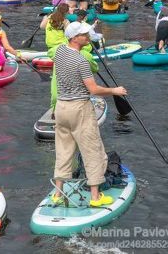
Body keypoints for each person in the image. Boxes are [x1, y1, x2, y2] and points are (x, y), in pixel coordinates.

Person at [51, 21, 128, 208]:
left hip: (61, 108)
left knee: (63, 151)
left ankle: (57, 194)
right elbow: (93, 90)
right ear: (75, 38)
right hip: (79, 109)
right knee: (92, 150)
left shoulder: (59, 52)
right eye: (85, 35)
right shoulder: (82, 61)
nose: (88, 37)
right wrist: (115, 91)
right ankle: (95, 197)